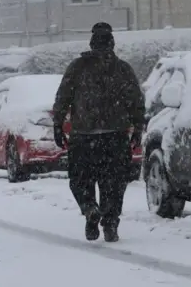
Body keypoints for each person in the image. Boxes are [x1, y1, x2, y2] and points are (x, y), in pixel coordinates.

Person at [52, 22, 145, 242]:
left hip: (84, 136)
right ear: (112, 43)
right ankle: (110, 223)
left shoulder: (77, 68)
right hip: (115, 135)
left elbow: (62, 97)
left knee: (80, 179)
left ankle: (89, 208)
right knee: (114, 182)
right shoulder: (123, 69)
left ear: (92, 43)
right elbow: (136, 101)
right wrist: (137, 128)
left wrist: (58, 124)